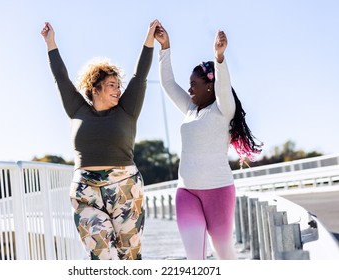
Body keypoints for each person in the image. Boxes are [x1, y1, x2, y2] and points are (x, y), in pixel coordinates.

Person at [41, 20, 159, 260]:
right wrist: (51, 43)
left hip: (125, 189)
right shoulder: (77, 109)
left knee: (129, 257)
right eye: (112, 85)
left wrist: (149, 39)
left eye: (119, 85)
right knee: (103, 258)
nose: (118, 90)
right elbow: (61, 78)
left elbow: (141, 75)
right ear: (94, 88)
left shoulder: (127, 109)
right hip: (86, 192)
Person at [154, 24, 262, 260]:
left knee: (223, 252)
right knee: (195, 257)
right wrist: (165, 48)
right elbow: (168, 84)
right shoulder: (190, 109)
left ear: (209, 86)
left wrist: (219, 57)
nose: (190, 88)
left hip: (218, 191)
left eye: (194, 84)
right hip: (186, 191)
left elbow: (224, 88)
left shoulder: (223, 109)